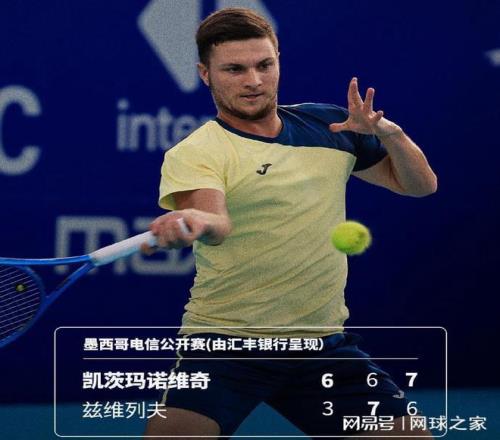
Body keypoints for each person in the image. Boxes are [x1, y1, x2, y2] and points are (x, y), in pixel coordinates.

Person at [143, 7, 437, 439]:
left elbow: (420, 185)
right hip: (228, 345)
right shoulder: (197, 151)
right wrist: (195, 220)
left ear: (278, 60)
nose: (253, 80)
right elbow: (217, 222)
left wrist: (388, 133)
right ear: (205, 74)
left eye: (264, 65)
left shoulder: (330, 127)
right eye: (234, 69)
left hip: (322, 345)